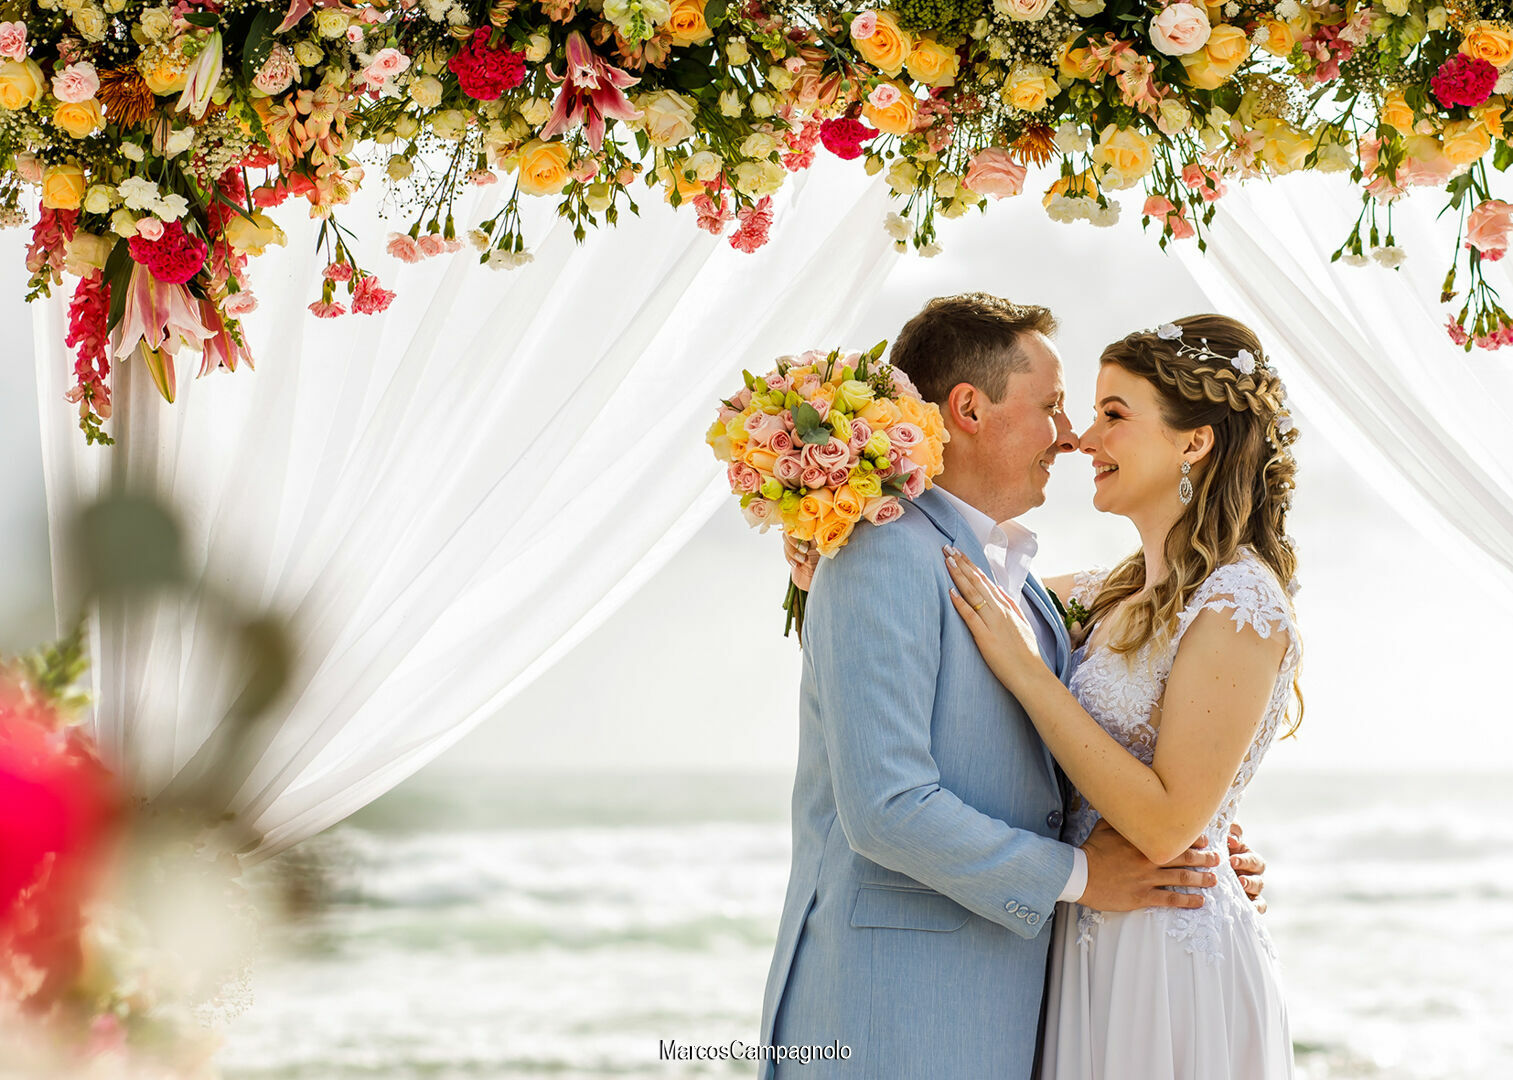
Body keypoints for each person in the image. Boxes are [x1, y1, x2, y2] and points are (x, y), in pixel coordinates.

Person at [757, 295, 1265, 1079]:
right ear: (967, 407)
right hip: (891, 1014)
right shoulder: (881, 552)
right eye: (1055, 407)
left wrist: (1199, 841)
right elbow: (886, 808)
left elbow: (1080, 767)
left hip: (1043, 996)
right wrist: (1093, 873)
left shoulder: (1028, 589)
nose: (1072, 437)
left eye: (1101, 414)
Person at [943, 313, 1301, 1078]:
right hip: (1085, 943)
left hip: (1167, 959)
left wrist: (1029, 676)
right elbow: (946, 586)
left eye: (1113, 415)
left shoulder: (1240, 601)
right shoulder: (1110, 594)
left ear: (1192, 442)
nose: (1080, 440)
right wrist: (827, 535)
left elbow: (1169, 825)